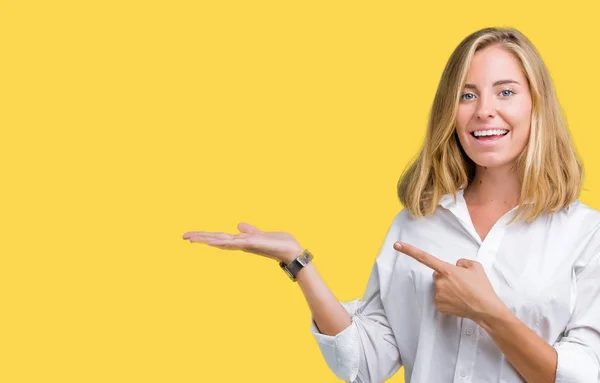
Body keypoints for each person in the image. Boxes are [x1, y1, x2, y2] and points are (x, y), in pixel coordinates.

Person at [182, 27, 600, 383]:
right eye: (466, 95)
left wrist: (489, 313)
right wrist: (298, 263)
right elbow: (365, 362)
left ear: (535, 104)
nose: (484, 111)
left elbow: (585, 373)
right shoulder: (417, 223)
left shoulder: (583, 235)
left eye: (505, 92)